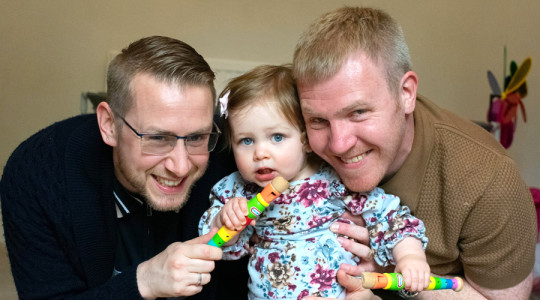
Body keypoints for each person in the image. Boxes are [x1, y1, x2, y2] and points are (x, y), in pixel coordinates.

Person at [292, 6, 537, 300]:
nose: (339, 144)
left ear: (406, 93)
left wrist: (391, 273)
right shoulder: (293, 149)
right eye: (318, 120)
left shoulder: (489, 180)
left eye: (358, 112)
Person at [0, 36, 249, 299]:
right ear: (109, 125)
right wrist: (144, 282)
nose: (181, 166)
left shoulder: (234, 155)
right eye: (157, 138)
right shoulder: (36, 174)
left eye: (197, 137)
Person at [198, 64, 430, 300]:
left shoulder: (333, 182)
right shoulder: (239, 191)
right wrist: (226, 220)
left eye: (277, 137)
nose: (260, 153)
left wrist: (410, 258)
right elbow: (215, 244)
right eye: (246, 141)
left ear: (306, 140)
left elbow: (390, 218)